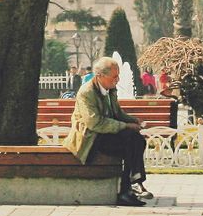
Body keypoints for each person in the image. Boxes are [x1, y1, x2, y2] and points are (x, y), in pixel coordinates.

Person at [64, 54, 150, 207]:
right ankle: (131, 186)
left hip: (105, 134)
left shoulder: (110, 89)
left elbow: (117, 113)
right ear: (99, 76)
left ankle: (129, 188)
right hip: (90, 139)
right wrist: (125, 126)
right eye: (114, 77)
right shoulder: (86, 92)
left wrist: (133, 120)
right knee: (132, 141)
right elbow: (94, 123)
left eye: (118, 76)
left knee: (136, 141)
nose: (117, 80)